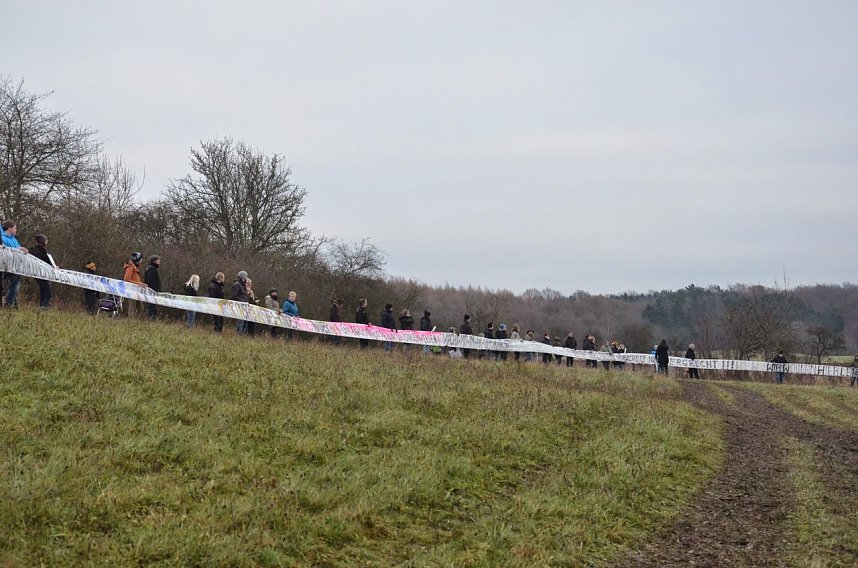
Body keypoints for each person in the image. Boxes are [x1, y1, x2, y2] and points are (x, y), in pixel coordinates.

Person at [2, 220, 28, 308]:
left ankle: (10, 303)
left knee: (15, 285)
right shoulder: (2, 238)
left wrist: (22, 249)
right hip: (4, 266)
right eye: (15, 228)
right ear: (9, 228)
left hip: (14, 267)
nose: (16, 230)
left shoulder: (14, 239)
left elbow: (17, 249)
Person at [29, 234, 53, 308]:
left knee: (43, 292)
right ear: (45, 242)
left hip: (36, 273)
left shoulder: (32, 250)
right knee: (48, 294)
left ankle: (41, 307)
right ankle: (44, 307)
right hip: (43, 274)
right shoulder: (43, 252)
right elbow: (47, 262)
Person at [122, 252, 146, 317]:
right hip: (131, 290)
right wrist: (138, 283)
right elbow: (126, 279)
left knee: (141, 308)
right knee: (132, 308)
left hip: (137, 290)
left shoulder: (135, 267)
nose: (141, 261)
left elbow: (135, 279)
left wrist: (141, 283)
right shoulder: (130, 267)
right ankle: (130, 323)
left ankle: (136, 322)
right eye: (141, 259)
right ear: (138, 259)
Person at [143, 255, 161, 320]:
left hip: (152, 290)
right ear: (154, 261)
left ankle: (151, 318)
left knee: (153, 306)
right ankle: (151, 319)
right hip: (152, 291)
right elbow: (151, 280)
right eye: (158, 260)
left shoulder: (150, 268)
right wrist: (155, 290)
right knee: (152, 307)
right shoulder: (151, 269)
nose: (159, 262)